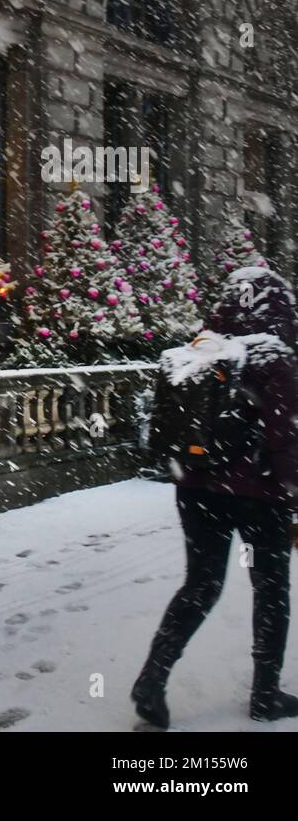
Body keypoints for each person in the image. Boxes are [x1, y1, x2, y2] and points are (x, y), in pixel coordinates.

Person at [134, 266, 298, 728]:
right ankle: (265, 695)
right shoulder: (274, 356)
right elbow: (284, 439)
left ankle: (153, 677)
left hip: (197, 488)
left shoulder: (200, 350)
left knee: (200, 585)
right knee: (271, 592)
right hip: (260, 496)